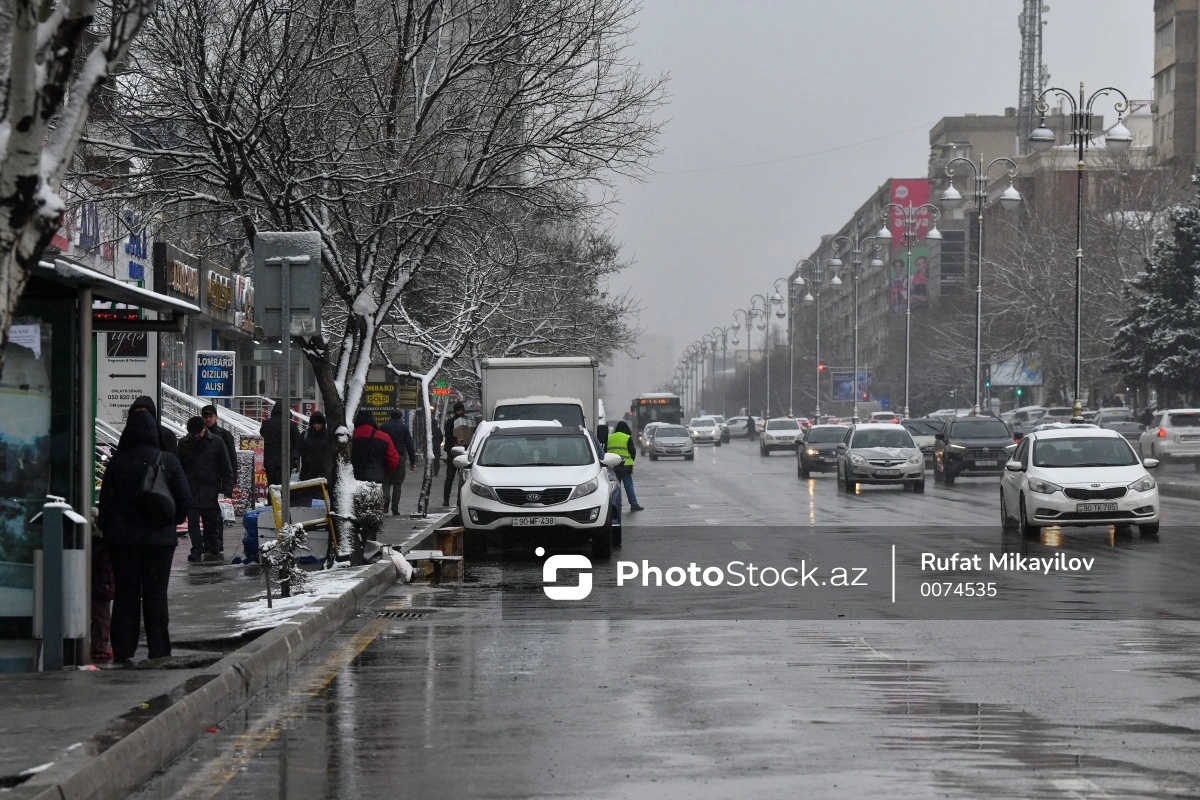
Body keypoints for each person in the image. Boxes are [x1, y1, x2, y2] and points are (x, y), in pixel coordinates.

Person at [97, 408, 191, 663]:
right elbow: (185, 500)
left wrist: (108, 530)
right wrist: (171, 522)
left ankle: (123, 650)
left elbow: (105, 504)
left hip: (123, 541)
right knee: (156, 594)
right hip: (159, 541)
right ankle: (159, 650)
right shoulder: (167, 460)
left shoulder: (117, 462)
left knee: (126, 594)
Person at [178, 415, 234, 563]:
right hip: (192, 490)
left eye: (198, 433)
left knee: (211, 521)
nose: (196, 437)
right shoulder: (183, 444)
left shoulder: (217, 442)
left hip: (212, 490)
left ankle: (212, 546)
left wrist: (227, 490)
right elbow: (180, 468)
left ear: (204, 429)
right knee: (193, 522)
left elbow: (226, 468)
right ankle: (196, 549)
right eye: (192, 434)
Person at [380, 411, 418, 514]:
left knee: (386, 481)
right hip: (400, 457)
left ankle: (385, 501)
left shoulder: (383, 426)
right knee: (397, 484)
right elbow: (409, 445)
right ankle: (395, 509)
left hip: (386, 457)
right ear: (400, 417)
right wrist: (412, 461)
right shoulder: (403, 427)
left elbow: (379, 441)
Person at [351, 409, 400, 484]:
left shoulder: (349, 436)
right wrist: (383, 470)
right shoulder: (383, 437)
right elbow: (393, 460)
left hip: (353, 478)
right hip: (376, 477)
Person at [260, 398, 300, 486]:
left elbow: (262, 433)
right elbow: (297, 441)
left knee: (272, 487)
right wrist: (295, 459)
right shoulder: (291, 425)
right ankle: (283, 500)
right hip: (286, 461)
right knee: (284, 487)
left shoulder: (266, 424)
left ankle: (272, 500)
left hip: (270, 462)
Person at [606, 420, 643, 512]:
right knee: (628, 486)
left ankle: (615, 505)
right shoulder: (627, 437)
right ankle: (634, 505)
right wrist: (631, 460)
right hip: (625, 466)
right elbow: (633, 451)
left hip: (612, 467)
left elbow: (604, 451)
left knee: (614, 487)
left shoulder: (609, 438)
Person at [201, 404, 238, 487]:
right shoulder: (198, 435)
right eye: (205, 417)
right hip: (204, 478)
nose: (208, 419)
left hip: (221, 476)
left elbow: (232, 457)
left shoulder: (225, 435)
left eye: (211, 416)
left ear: (216, 417)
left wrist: (233, 477)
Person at [442, 403, 468, 507]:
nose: (460, 412)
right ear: (455, 411)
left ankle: (460, 500)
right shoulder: (450, 422)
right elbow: (448, 435)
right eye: (458, 411)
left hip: (464, 453)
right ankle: (446, 499)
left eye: (461, 410)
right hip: (453, 453)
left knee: (463, 478)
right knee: (450, 477)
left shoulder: (467, 421)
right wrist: (455, 439)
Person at [298, 410, 330, 481]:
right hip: (308, 473)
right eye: (314, 423)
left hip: (322, 473)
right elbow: (298, 448)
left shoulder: (328, 436)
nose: (316, 425)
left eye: (318, 423)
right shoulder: (305, 435)